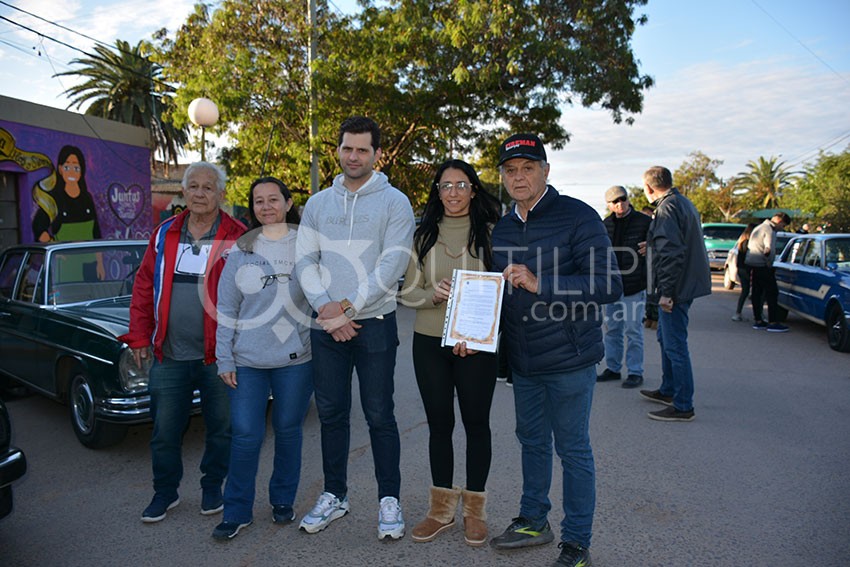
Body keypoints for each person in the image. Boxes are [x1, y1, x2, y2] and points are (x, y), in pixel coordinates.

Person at [488, 133, 621, 567]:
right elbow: (497, 291)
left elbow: (608, 285)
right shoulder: (503, 226)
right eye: (511, 170)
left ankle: (577, 542)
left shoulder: (579, 217)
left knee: (573, 449)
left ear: (546, 171)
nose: (519, 176)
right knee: (531, 442)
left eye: (528, 167)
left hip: (570, 359)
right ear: (503, 176)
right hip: (524, 361)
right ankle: (533, 520)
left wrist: (541, 282)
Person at [295, 116, 415, 540]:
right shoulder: (317, 204)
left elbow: (392, 265)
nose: (354, 156)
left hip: (375, 323)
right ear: (339, 150)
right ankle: (335, 495)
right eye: (348, 148)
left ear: (377, 155)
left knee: (380, 414)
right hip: (326, 325)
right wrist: (327, 310)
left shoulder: (395, 202)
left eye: (363, 150)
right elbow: (305, 261)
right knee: (331, 414)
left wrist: (345, 308)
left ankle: (389, 500)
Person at [120, 161, 246, 523]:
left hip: (218, 357)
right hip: (169, 354)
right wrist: (140, 335)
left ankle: (212, 486)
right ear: (184, 192)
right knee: (163, 430)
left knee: (221, 429)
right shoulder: (164, 234)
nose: (200, 193)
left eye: (209, 187)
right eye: (194, 186)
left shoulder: (237, 236)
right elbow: (144, 286)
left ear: (221, 194)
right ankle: (165, 492)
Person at [398, 159, 501, 547]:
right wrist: (432, 294)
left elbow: (501, 292)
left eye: (461, 185)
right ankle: (440, 511)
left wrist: (475, 335)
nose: (453, 193)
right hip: (429, 343)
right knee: (439, 426)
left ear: (473, 190)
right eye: (446, 186)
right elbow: (407, 293)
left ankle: (475, 512)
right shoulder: (421, 235)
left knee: (477, 425)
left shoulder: (492, 234)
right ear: (437, 191)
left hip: (477, 346)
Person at [211, 177, 313, 541]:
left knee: (288, 432)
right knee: (245, 436)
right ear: (252, 208)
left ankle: (282, 501)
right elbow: (226, 308)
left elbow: (323, 296)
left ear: (288, 202)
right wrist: (224, 358)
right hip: (247, 362)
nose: (266, 206)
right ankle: (236, 511)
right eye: (258, 201)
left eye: (274, 199)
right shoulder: (241, 250)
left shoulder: (307, 245)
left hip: (296, 361)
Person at [638, 166, 711, 423]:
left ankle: (682, 405)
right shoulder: (682, 202)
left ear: (648, 187)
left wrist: (666, 293)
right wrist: (654, 246)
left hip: (676, 288)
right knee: (664, 337)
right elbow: (676, 242)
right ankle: (668, 390)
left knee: (674, 344)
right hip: (684, 283)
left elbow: (672, 252)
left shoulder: (667, 207)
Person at [597, 185, 652, 389]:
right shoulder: (604, 225)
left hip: (634, 286)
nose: (620, 204)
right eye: (615, 202)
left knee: (633, 330)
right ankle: (613, 368)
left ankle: (635, 371)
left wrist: (651, 246)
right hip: (611, 287)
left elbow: (659, 245)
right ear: (609, 205)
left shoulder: (645, 222)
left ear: (628, 199)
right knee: (612, 330)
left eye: (623, 199)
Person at [32, 145, 104, 280]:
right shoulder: (54, 199)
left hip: (89, 262)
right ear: (60, 169)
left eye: (76, 168)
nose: (71, 172)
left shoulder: (87, 198)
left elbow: (96, 233)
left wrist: (100, 263)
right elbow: (38, 227)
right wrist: (55, 248)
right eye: (67, 167)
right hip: (65, 266)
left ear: (81, 171)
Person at [746, 212, 791, 332]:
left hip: (753, 263)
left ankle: (758, 320)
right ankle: (773, 321)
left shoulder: (759, 227)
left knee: (757, 292)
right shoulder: (769, 230)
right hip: (763, 265)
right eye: (783, 226)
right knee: (772, 293)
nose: (782, 228)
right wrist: (769, 263)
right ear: (779, 221)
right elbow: (768, 249)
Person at [731, 223, 756, 322]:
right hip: (746, 268)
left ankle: (738, 312)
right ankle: (741, 313)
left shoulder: (742, 240)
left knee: (745, 291)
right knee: (751, 291)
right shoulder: (748, 242)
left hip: (741, 268)